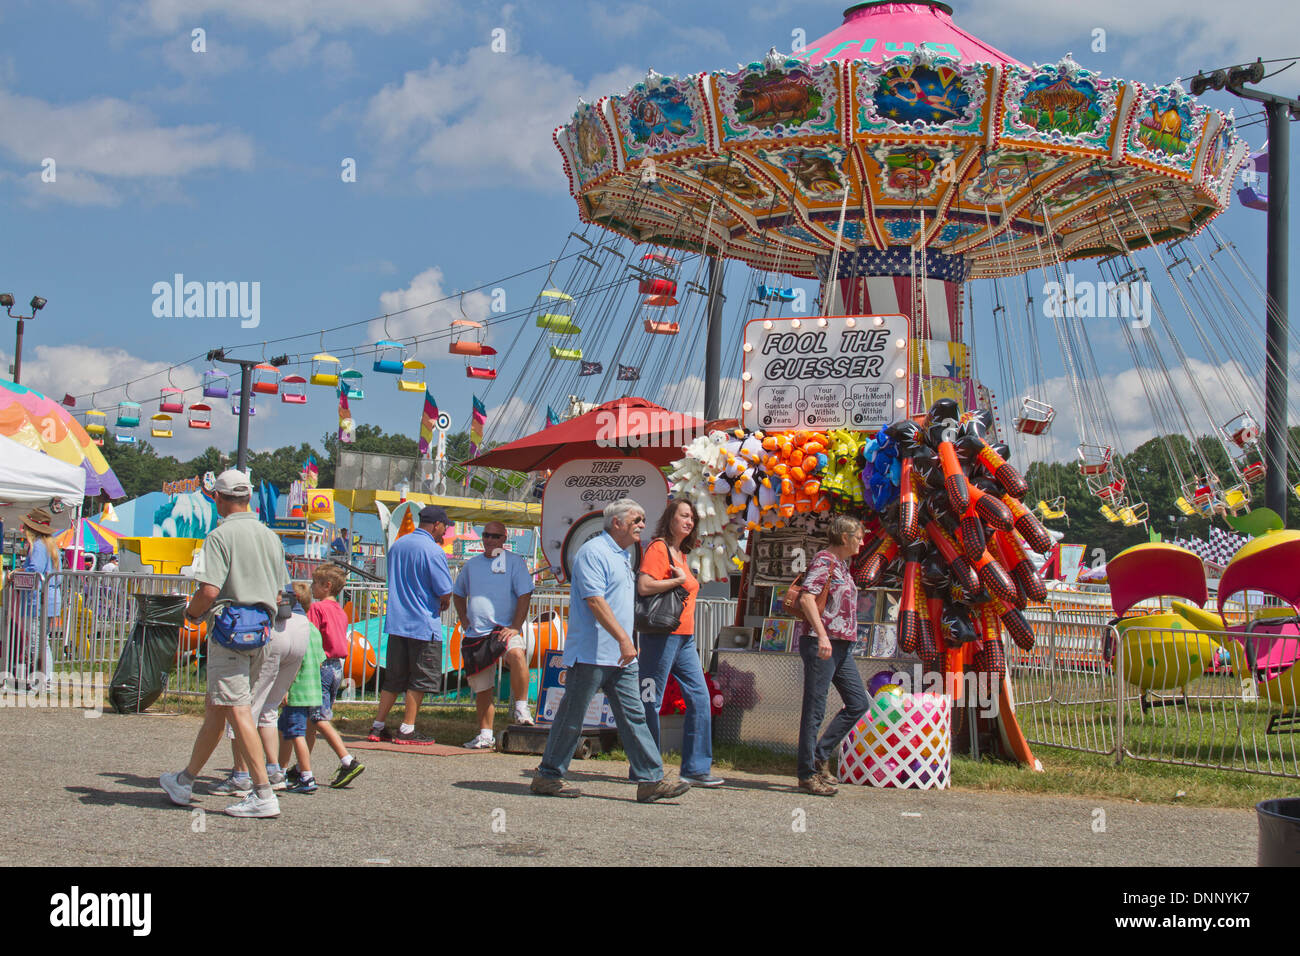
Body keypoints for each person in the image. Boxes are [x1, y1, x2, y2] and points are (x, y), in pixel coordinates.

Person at [531, 499, 690, 803]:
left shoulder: (622, 555)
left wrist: (626, 642)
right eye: (636, 520)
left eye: (642, 520)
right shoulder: (593, 553)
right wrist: (624, 639)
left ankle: (650, 779)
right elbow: (595, 601)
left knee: (634, 716)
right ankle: (548, 775)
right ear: (616, 523)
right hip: (593, 652)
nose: (642, 525)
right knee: (572, 718)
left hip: (619, 656)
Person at [160, 469, 290, 818]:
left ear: (217, 497)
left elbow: (210, 591)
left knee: (236, 709)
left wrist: (192, 613)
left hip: (228, 631)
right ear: (248, 497)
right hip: (261, 632)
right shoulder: (270, 537)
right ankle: (185, 780)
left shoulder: (219, 536)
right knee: (219, 709)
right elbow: (280, 592)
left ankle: (262, 792)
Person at [636, 498, 723, 787]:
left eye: (692, 518)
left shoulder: (681, 553)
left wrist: (681, 578)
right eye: (683, 516)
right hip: (660, 637)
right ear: (670, 518)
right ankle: (645, 768)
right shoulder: (659, 548)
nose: (689, 521)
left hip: (685, 638)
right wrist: (676, 582)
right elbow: (644, 586)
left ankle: (696, 768)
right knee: (651, 699)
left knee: (700, 698)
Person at [795, 514, 870, 797]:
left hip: (841, 645)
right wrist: (822, 635)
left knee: (858, 702)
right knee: (814, 709)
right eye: (858, 537)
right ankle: (806, 774)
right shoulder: (825, 560)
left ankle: (820, 754)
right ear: (844, 537)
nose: (861, 542)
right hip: (821, 643)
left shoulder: (841, 565)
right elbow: (806, 597)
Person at [209, 586, 308, 797]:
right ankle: (274, 771)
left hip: (268, 623)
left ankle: (241, 775)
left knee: (244, 708)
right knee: (269, 708)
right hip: (300, 624)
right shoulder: (274, 555)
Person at [368, 505, 453, 744]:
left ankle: (378, 725)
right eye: (444, 526)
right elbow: (445, 590)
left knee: (393, 678)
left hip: (397, 622)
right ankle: (407, 728)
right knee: (420, 679)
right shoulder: (433, 552)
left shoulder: (398, 545)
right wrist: (443, 602)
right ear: (436, 525)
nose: (444, 531)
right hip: (423, 624)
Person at [452, 521, 535, 750]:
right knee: (482, 686)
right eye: (486, 535)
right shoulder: (471, 565)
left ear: (504, 539)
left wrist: (516, 626)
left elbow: (524, 594)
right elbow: (458, 594)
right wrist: (464, 619)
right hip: (476, 633)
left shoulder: (515, 562)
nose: (490, 540)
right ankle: (485, 733)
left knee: (517, 654)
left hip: (503, 629)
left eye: (495, 536)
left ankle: (521, 706)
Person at [296, 569, 365, 787]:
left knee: (318, 717)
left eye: (315, 583)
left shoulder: (317, 609)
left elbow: (311, 638)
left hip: (321, 665)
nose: (312, 587)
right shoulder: (340, 611)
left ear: (326, 585)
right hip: (337, 667)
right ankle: (301, 766)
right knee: (312, 719)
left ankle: (347, 760)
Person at [276, 585, 327, 794]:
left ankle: (306, 775)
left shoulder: (294, 629)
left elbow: (294, 662)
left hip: (297, 691)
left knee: (296, 733)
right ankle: (279, 769)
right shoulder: (312, 629)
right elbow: (321, 660)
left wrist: (285, 688)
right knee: (284, 729)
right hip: (313, 690)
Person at [19, 508, 61, 690]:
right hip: (52, 598)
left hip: (38, 599)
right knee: (44, 641)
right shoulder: (52, 546)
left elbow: (34, 570)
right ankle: (46, 679)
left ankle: (42, 680)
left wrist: (18, 573)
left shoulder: (37, 546)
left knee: (37, 642)